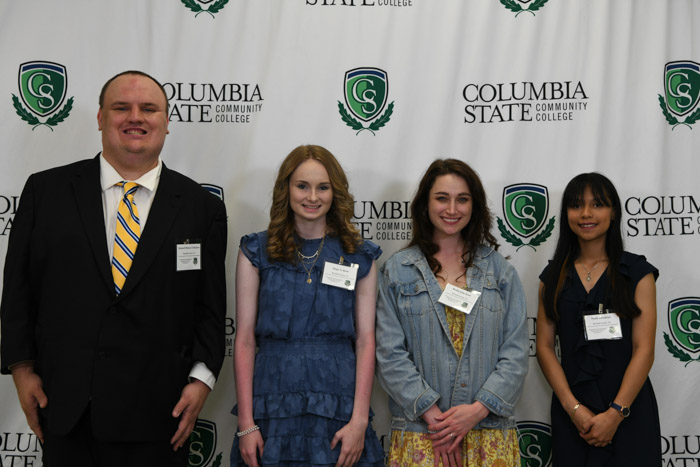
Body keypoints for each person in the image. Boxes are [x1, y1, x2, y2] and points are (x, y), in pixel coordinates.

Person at [0, 70, 227, 466]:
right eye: (121, 107)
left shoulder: (201, 208)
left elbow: (209, 309)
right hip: (67, 408)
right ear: (102, 118)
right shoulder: (46, 192)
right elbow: (18, 291)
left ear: (167, 122)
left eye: (149, 108)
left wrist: (202, 381)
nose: (135, 117)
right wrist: (21, 369)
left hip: (161, 414)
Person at [230, 145, 384, 467]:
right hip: (271, 405)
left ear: (335, 192)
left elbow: (366, 341)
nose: (312, 196)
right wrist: (246, 424)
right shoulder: (256, 251)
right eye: (302, 186)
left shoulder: (359, 254)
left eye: (323, 187)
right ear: (286, 189)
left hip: (339, 405)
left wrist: (358, 421)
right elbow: (244, 340)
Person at [375, 158, 528, 467]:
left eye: (462, 199)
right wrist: (437, 420)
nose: (452, 209)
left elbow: (515, 354)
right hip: (423, 434)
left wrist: (476, 411)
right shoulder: (397, 271)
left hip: (487, 435)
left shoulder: (500, 272)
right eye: (442, 198)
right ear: (425, 204)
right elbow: (389, 355)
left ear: (475, 206)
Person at [536, 173, 661, 466]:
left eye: (598, 205)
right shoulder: (552, 277)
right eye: (577, 205)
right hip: (573, 416)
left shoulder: (637, 273)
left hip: (629, 410)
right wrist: (574, 409)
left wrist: (616, 413)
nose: (587, 214)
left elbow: (645, 349)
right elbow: (543, 347)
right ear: (566, 213)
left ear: (613, 211)